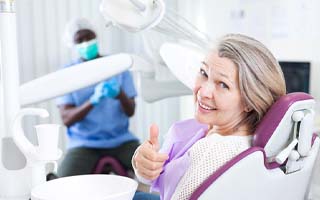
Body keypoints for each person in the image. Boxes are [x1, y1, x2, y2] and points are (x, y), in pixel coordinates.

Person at [132, 34, 286, 200]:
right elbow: (157, 174)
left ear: (250, 100)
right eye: (204, 72)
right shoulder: (216, 128)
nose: (203, 91)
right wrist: (144, 166)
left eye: (223, 84)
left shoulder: (214, 151)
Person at [56, 18, 139, 177]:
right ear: (73, 45)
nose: (86, 43)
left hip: (121, 141)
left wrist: (119, 93)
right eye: (80, 40)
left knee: (154, 173)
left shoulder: (117, 66)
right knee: (63, 182)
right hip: (84, 145)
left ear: (96, 37)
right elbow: (66, 118)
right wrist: (92, 101)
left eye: (89, 37)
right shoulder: (67, 74)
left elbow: (130, 111)